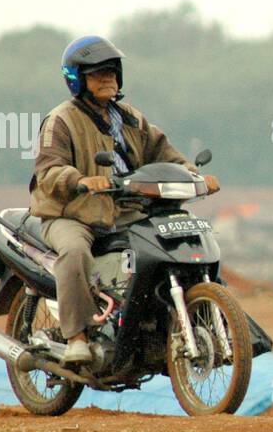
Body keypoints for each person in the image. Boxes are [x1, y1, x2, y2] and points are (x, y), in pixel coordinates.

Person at [29, 36, 219, 365]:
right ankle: (76, 336)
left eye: (111, 72)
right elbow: (49, 172)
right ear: (77, 79)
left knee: (173, 240)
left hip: (127, 211)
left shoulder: (131, 118)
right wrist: (80, 180)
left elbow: (166, 155)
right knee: (75, 252)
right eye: (97, 73)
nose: (108, 79)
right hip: (73, 215)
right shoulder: (60, 120)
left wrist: (194, 176)